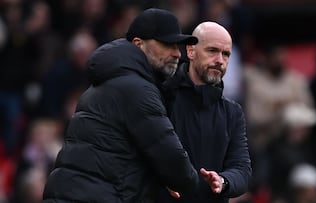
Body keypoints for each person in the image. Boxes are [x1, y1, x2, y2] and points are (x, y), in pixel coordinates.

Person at [42, 8, 199, 203]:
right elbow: (174, 164)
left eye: (178, 46)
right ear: (138, 44)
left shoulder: (109, 83)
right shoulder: (137, 88)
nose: (177, 53)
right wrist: (197, 184)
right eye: (167, 44)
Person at [157, 22, 252, 203]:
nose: (220, 60)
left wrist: (223, 181)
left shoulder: (233, 112)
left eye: (226, 54)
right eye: (212, 51)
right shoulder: (161, 98)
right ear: (191, 51)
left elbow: (242, 169)